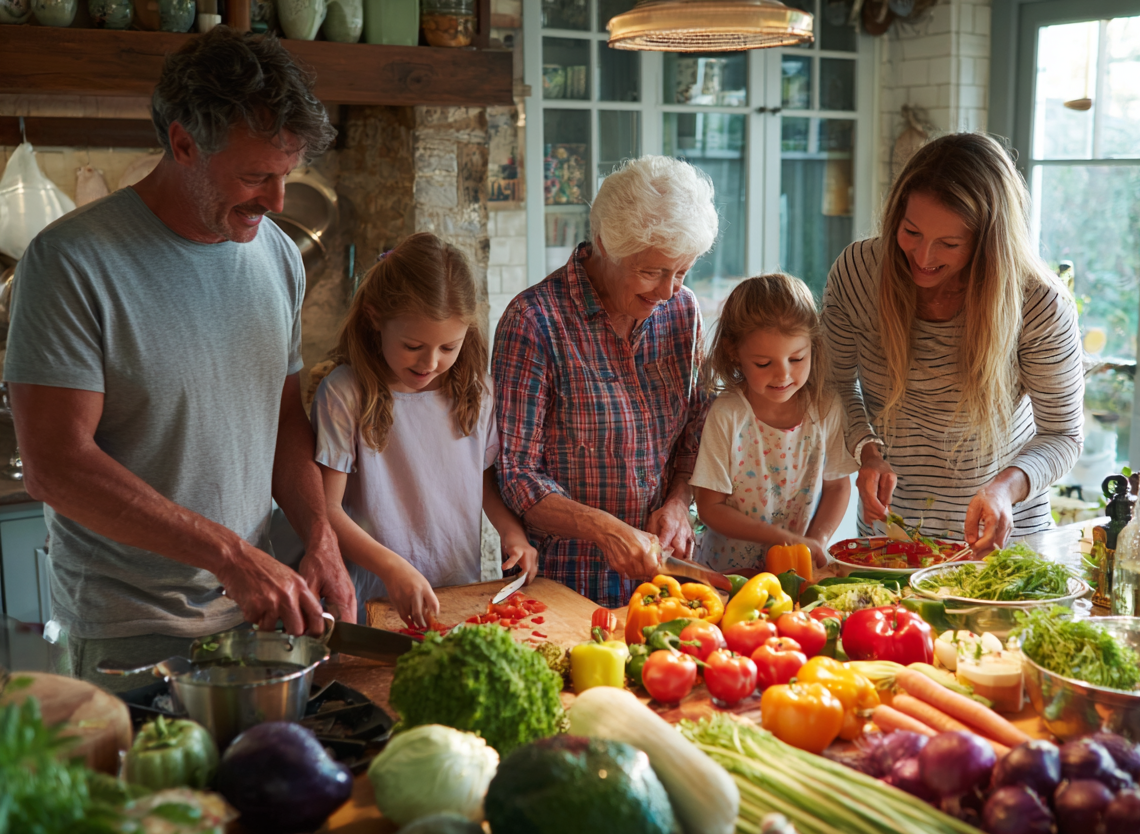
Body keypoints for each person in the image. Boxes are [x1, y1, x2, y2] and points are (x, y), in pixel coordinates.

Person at [4, 28, 355, 692]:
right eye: (255, 176)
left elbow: (282, 417)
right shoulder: (72, 261)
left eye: (286, 175)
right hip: (128, 636)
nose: (277, 201)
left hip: (255, 619)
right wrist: (230, 556)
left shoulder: (278, 255)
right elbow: (55, 467)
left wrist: (320, 533)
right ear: (184, 144)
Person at [822, 133, 1084, 554]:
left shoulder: (1039, 302)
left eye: (949, 244)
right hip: (893, 536)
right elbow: (834, 383)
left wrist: (1004, 488)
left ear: (988, 242)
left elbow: (1063, 435)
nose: (923, 257)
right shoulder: (859, 272)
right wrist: (866, 450)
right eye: (911, 232)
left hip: (1004, 543)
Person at [493, 155, 718, 607]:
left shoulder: (682, 310)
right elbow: (516, 474)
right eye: (651, 272)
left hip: (663, 585)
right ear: (604, 245)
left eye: (681, 271)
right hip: (565, 585)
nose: (668, 291)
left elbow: (696, 430)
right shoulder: (534, 322)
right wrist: (603, 529)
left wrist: (679, 502)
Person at [312, 233, 538, 626]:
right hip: (372, 602)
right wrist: (392, 567)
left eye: (448, 348)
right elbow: (327, 511)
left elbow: (483, 485)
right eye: (413, 346)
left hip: (457, 596)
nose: (430, 363)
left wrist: (512, 533)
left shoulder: (478, 391)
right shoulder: (345, 393)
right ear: (375, 318)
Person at [691, 274, 856, 574]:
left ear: (814, 345)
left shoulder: (826, 407)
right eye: (764, 364)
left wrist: (815, 542)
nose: (783, 375)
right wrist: (782, 539)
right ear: (734, 352)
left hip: (795, 572)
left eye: (797, 359)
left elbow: (837, 486)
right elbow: (709, 508)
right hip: (729, 576)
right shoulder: (727, 414)